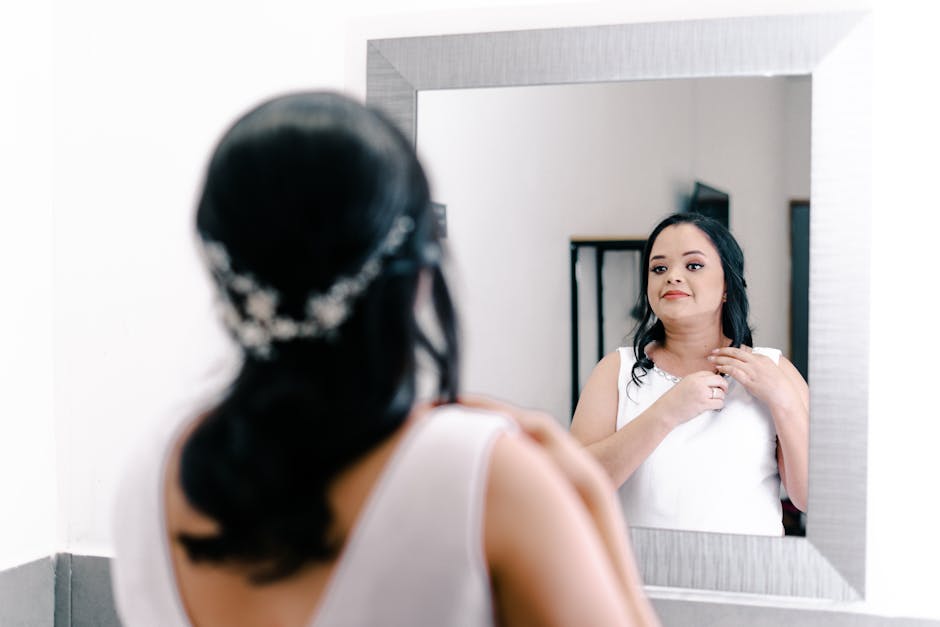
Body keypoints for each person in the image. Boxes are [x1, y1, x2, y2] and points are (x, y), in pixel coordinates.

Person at [110, 92, 659, 627]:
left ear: (225, 271)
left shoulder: (152, 472)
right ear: (418, 276)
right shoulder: (488, 477)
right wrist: (590, 500)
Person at [570, 212, 809, 536]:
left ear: (727, 285)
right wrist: (667, 412)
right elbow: (575, 488)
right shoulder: (615, 371)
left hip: (745, 578)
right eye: (659, 268)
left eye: (693, 265)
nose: (673, 277)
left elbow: (809, 498)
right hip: (641, 578)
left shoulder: (774, 370)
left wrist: (785, 402)